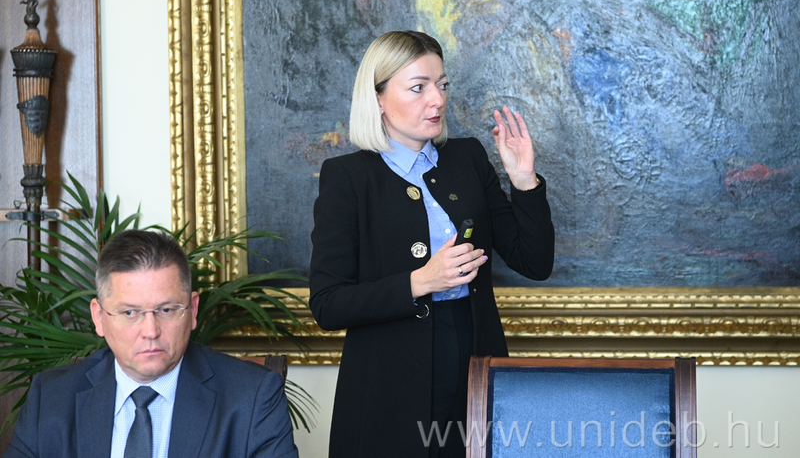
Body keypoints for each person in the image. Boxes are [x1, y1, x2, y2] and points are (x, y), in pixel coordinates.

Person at [309, 30, 554, 458]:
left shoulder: (468, 157)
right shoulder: (347, 177)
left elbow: (535, 262)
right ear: (378, 97)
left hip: (474, 359)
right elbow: (328, 304)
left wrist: (523, 180)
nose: (437, 100)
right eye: (418, 87)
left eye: (442, 85)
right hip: (388, 380)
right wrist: (420, 282)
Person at [4, 230, 298, 458]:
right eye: (130, 313)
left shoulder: (252, 397)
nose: (150, 331)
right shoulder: (51, 398)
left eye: (166, 310)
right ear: (99, 317)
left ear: (193, 310)